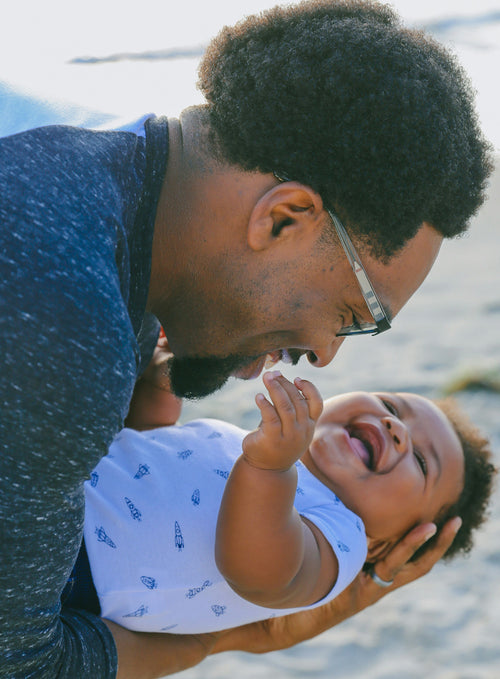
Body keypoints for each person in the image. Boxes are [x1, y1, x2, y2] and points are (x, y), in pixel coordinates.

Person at [0, 0, 493, 677]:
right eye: (354, 312)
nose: (326, 352)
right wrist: (220, 642)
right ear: (285, 219)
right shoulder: (64, 325)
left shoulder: (81, 160)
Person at [72, 369, 495, 635]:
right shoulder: (250, 444)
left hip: (76, 573)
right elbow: (148, 458)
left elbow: (258, 572)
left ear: (383, 545)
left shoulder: (340, 538)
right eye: (391, 406)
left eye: (422, 461)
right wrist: (165, 380)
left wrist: (270, 468)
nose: (394, 426)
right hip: (63, 482)